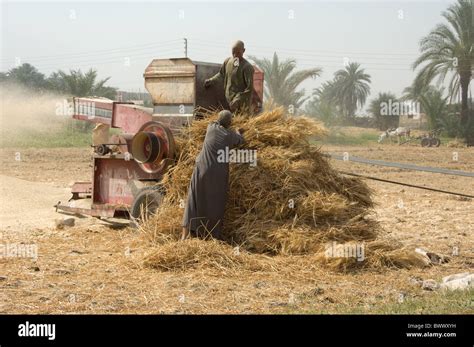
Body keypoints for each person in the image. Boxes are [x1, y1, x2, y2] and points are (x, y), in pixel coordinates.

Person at [181, 110, 244, 240]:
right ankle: (210, 236)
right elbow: (240, 140)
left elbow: (216, 121)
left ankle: (184, 236)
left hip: (201, 170)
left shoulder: (211, 127)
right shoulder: (229, 135)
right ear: (229, 123)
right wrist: (238, 131)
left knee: (192, 202)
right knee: (215, 204)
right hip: (217, 176)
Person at [204, 40, 254, 114]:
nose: (235, 55)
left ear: (243, 51)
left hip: (241, 107)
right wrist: (211, 80)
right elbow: (221, 74)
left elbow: (249, 89)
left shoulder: (247, 67)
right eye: (233, 52)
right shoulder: (227, 62)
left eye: (238, 53)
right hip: (228, 102)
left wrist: (237, 99)